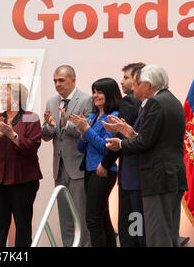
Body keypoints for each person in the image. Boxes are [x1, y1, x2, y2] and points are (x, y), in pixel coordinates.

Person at [105, 65, 188, 247]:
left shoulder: (155, 103)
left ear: (148, 85)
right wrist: (129, 133)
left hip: (158, 178)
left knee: (158, 237)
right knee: (169, 234)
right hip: (172, 176)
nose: (133, 88)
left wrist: (121, 143)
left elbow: (144, 142)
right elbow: (155, 139)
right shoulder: (172, 100)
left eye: (136, 84)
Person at [0, 83, 42, 247]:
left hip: (24, 180)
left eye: (5, 94)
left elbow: (32, 146)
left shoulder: (30, 117)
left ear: (16, 98)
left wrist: (11, 134)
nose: (1, 98)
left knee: (23, 226)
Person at [42, 65, 93, 247]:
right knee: (65, 218)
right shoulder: (51, 102)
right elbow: (46, 135)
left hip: (78, 168)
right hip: (59, 168)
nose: (57, 84)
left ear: (73, 80)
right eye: (55, 80)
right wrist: (50, 126)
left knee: (80, 216)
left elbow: (89, 134)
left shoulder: (87, 100)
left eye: (61, 80)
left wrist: (67, 124)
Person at [69, 78, 121, 247]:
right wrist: (83, 133)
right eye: (94, 92)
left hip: (104, 170)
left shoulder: (113, 117)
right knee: (103, 218)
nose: (95, 96)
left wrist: (87, 130)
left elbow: (106, 148)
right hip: (90, 169)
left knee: (92, 220)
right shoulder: (92, 116)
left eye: (99, 92)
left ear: (109, 94)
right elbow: (81, 148)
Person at [99, 62, 146, 247]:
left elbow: (119, 138)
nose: (122, 81)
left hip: (132, 177)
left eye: (126, 77)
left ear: (137, 79)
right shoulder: (148, 104)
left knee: (131, 230)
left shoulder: (129, 101)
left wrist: (104, 163)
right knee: (138, 228)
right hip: (142, 175)